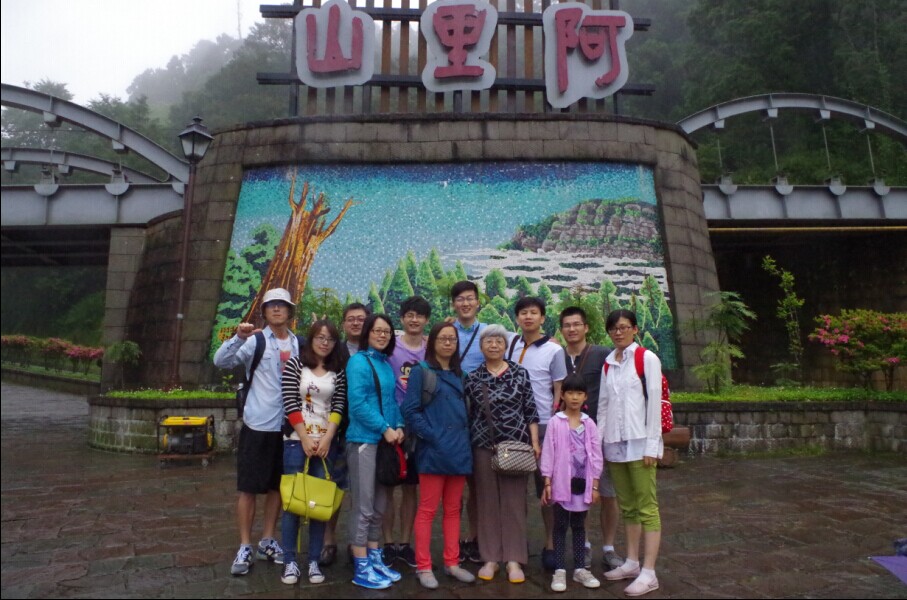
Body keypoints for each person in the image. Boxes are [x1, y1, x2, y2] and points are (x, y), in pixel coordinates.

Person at [213, 287, 298, 576]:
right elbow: (221, 361)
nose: (277, 309)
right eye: (271, 305)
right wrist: (238, 337)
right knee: (248, 487)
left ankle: (268, 540)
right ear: (264, 311)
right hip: (258, 424)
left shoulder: (297, 343)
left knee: (277, 487)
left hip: (287, 427)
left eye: (282, 305)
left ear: (289, 311)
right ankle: (245, 545)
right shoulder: (256, 341)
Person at [402, 322, 477, 589]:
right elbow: (410, 410)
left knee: (454, 509)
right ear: (432, 342)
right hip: (433, 451)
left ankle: (452, 562)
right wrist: (433, 436)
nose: (448, 343)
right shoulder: (421, 372)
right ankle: (423, 566)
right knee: (427, 509)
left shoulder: (462, 375)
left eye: (452, 339)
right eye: (443, 338)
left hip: (459, 451)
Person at [465, 324, 540, 584]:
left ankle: (514, 558)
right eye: (489, 341)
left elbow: (530, 409)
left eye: (498, 341)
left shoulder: (520, 373)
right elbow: (469, 414)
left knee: (514, 502)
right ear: (481, 346)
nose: (494, 345)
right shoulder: (473, 377)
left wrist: (534, 442)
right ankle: (490, 557)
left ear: (505, 345)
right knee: (486, 500)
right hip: (483, 445)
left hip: (516, 446)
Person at [598, 310, 664, 597]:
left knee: (647, 507)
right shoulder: (608, 363)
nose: (618, 332)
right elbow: (603, 406)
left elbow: (655, 403)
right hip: (615, 444)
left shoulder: (646, 358)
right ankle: (632, 562)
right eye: (614, 328)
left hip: (640, 444)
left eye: (624, 327)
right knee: (627, 506)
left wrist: (652, 445)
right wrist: (599, 444)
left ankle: (649, 572)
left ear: (635, 329)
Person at [279, 319, 346, 585]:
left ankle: (314, 561)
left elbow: (339, 405)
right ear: (311, 339)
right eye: (320, 337)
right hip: (296, 441)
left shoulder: (337, 370)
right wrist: (305, 438)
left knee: (318, 504)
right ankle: (290, 561)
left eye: (330, 339)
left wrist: (327, 438)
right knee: (292, 502)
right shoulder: (296, 364)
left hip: (326, 444)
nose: (324, 343)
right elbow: (290, 401)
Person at [559, 306, 624, 572]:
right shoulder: (557, 357)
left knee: (608, 493)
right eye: (567, 325)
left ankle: (609, 548)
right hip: (570, 437)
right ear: (561, 330)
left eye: (577, 324)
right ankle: (583, 545)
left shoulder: (601, 355)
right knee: (579, 495)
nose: (572, 329)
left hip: (600, 435)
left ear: (586, 327)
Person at [345, 313, 406, 589]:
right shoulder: (358, 362)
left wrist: (399, 425)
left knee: (380, 506)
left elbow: (391, 401)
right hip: (364, 441)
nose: (382, 335)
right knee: (364, 506)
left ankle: (373, 556)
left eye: (387, 331)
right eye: (377, 331)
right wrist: (384, 428)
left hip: (385, 443)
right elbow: (357, 404)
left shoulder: (384, 363)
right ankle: (360, 566)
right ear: (367, 333)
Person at [506, 296, 567, 571]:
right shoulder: (510, 344)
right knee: (513, 490)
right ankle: (515, 546)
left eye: (533, 313)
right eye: (523, 313)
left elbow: (559, 389)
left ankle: (551, 544)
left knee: (547, 489)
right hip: (513, 426)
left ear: (543, 318)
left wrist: (555, 424)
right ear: (517, 318)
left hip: (543, 425)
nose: (528, 317)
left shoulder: (554, 350)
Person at [540, 373, 603, 592]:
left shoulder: (589, 424)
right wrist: (547, 483)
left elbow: (596, 455)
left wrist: (595, 486)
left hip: (582, 484)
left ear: (585, 396)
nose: (574, 397)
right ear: (563, 396)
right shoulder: (555, 423)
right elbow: (548, 453)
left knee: (579, 526)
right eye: (570, 393)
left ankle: (579, 568)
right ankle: (559, 570)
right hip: (560, 484)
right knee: (559, 526)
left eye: (579, 393)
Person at [318, 302, 369, 567]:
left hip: (365, 428)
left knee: (361, 488)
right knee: (333, 484)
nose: (356, 323)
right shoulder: (333, 350)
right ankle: (328, 540)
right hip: (335, 427)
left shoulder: (375, 349)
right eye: (351, 319)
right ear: (344, 323)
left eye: (361, 318)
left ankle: (356, 541)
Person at [383, 296, 430, 568]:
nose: (414, 320)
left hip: (419, 428)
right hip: (392, 427)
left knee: (412, 488)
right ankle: (388, 543)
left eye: (419, 315)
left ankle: (405, 542)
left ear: (426, 320)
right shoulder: (391, 348)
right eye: (409, 315)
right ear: (401, 318)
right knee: (388, 488)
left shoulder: (430, 349)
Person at [449, 280, 487, 565]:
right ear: (454, 304)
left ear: (478, 302)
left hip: (480, 415)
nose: (465, 303)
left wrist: (550, 340)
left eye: (470, 298)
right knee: (452, 484)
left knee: (477, 483)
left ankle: (474, 538)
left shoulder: (488, 333)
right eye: (460, 299)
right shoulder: (446, 332)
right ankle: (453, 540)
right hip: (450, 413)